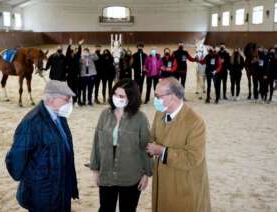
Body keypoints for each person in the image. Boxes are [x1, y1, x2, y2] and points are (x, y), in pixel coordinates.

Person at [5, 80, 79, 212]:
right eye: (66, 99)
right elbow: (15, 160)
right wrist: (34, 178)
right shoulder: (32, 123)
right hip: (42, 194)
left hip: (62, 189)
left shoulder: (60, 117)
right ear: (51, 99)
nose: (69, 103)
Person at [146, 77, 211, 212]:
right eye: (155, 95)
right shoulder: (160, 113)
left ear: (173, 97)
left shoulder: (195, 122)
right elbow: (152, 137)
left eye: (158, 96)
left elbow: (193, 158)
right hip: (163, 183)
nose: (155, 99)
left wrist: (162, 151)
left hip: (184, 186)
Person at [89, 79, 153, 212]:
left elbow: (145, 147)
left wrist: (146, 174)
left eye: (121, 96)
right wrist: (95, 169)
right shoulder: (105, 114)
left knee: (128, 209)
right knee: (105, 208)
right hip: (107, 173)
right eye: (115, 94)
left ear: (131, 97)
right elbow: (97, 142)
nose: (117, 98)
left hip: (131, 175)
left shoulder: (140, 118)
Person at [66, 38, 83, 105]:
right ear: (71, 52)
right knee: (69, 87)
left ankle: (75, 100)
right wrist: (70, 44)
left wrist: (79, 45)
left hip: (76, 75)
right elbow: (67, 51)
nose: (75, 52)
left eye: (76, 51)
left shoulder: (77, 57)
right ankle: (70, 100)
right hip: (69, 75)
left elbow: (79, 52)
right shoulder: (68, 57)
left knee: (75, 88)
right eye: (73, 51)